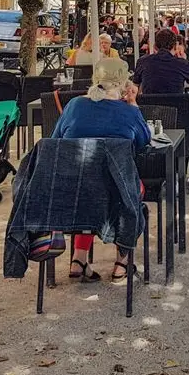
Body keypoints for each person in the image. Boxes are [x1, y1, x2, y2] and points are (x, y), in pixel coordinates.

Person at [53, 58, 150, 284]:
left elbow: (55, 140)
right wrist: (133, 104)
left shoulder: (75, 105)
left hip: (73, 190)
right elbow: (144, 142)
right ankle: (121, 263)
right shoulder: (128, 112)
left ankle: (79, 259)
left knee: (89, 186)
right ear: (124, 84)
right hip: (118, 190)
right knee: (128, 192)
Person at [132, 29, 189, 103]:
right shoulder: (182, 64)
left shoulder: (142, 62)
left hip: (150, 115)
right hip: (177, 116)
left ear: (155, 46)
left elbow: (134, 92)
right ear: (175, 46)